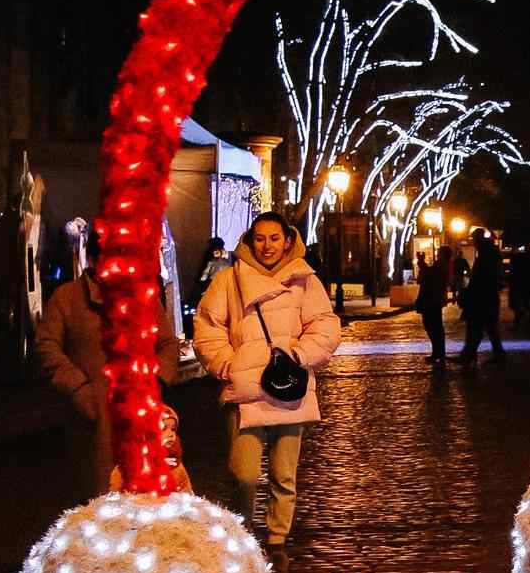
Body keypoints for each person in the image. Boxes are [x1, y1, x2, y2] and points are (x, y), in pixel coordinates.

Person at [194, 213, 341, 547]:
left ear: (287, 241)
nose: (267, 246)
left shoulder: (305, 280)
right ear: (250, 240)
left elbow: (325, 325)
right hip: (246, 391)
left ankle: (277, 542)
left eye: (274, 238)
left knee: (284, 475)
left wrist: (300, 355)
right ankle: (243, 538)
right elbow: (208, 326)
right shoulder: (229, 280)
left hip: (289, 388)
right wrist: (228, 365)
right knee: (243, 474)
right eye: (260, 238)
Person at [37, 228, 181, 503]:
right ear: (92, 260)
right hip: (94, 417)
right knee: (99, 497)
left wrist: (158, 380)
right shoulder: (67, 298)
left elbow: (167, 344)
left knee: (146, 496)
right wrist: (79, 389)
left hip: (142, 411)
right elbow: (47, 347)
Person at [457, 229, 506, 364]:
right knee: (488, 328)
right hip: (487, 296)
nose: (473, 242)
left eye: (474, 240)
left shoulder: (485, 256)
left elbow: (480, 279)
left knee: (477, 327)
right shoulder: (489, 254)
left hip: (482, 297)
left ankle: (469, 355)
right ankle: (474, 354)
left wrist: (469, 292)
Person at [414, 244, 452, 363]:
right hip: (434, 298)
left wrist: (421, 262)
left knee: (432, 325)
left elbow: (430, 274)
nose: (437, 254)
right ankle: (438, 352)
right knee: (435, 326)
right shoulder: (443, 265)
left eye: (439, 252)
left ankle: (438, 352)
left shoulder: (441, 265)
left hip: (432, 299)